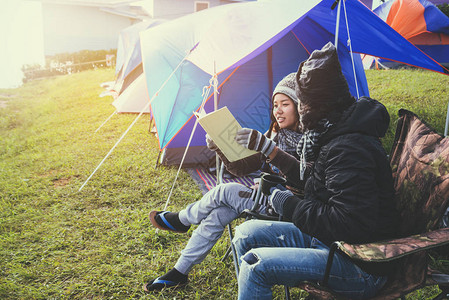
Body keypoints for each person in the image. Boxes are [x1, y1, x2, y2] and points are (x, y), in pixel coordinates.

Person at [232, 42, 399, 300]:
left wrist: (289, 205)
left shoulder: (349, 148)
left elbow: (349, 224)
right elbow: (315, 181)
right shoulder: (334, 131)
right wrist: (277, 170)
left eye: (302, 103)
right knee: (246, 232)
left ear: (316, 105)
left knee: (256, 264)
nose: (300, 110)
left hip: (360, 262)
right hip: (331, 243)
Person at [144, 73, 304, 291]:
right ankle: (179, 271)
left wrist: (269, 174)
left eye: (285, 104)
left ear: (299, 106)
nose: (278, 110)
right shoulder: (276, 134)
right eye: (275, 104)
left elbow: (304, 180)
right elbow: (241, 168)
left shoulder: (308, 140)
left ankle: (181, 219)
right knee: (217, 214)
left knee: (225, 192)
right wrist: (219, 145)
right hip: (264, 196)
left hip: (285, 206)